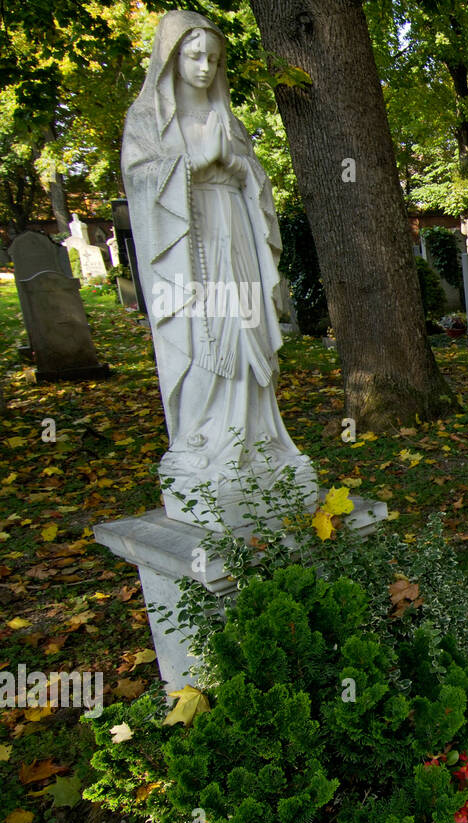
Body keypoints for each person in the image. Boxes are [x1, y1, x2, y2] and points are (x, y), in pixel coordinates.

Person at [122, 10, 316, 526]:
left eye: (213, 57)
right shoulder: (146, 122)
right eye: (193, 56)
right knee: (206, 331)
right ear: (171, 59)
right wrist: (193, 164)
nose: (205, 66)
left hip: (236, 233)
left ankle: (259, 442)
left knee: (246, 327)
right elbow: (140, 185)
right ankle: (206, 441)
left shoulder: (229, 119)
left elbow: (254, 177)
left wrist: (234, 166)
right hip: (188, 245)